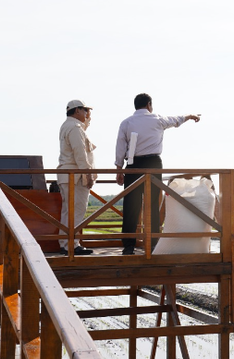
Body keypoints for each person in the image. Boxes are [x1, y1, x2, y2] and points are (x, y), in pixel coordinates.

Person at [114, 93, 201, 255]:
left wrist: (119, 168)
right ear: (149, 104)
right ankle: (153, 242)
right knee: (153, 203)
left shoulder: (126, 123)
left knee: (131, 204)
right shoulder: (157, 119)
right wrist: (189, 116)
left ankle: (128, 245)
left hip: (132, 164)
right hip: (153, 163)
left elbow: (120, 146)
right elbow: (176, 120)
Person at [57, 100, 97, 255]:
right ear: (77, 111)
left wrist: (86, 122)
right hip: (76, 176)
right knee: (77, 211)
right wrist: (88, 174)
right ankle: (72, 244)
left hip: (68, 175)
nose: (87, 113)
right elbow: (80, 153)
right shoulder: (75, 128)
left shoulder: (70, 126)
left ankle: (66, 244)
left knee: (68, 211)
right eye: (85, 110)